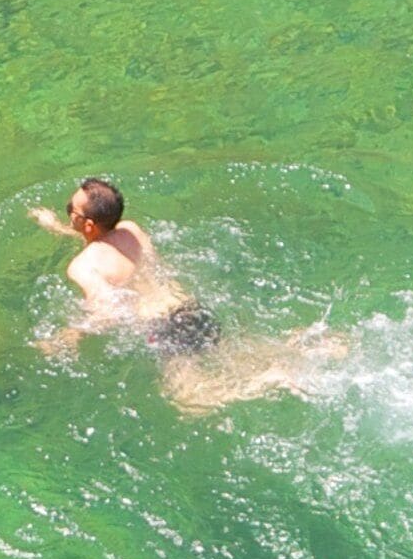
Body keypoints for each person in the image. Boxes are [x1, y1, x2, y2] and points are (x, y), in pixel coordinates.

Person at [28, 176, 349, 413]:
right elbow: (103, 239)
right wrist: (57, 227)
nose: (68, 212)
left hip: (164, 328)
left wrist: (69, 335)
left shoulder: (82, 267)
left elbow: (107, 310)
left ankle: (273, 379)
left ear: (85, 223)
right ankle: (305, 345)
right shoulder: (131, 230)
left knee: (190, 402)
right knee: (231, 354)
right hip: (192, 309)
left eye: (70, 210)